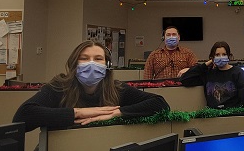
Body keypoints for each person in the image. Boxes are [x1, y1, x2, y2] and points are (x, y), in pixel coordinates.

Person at [13, 41, 170, 132]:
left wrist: (117, 112)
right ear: (75, 63)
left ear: (107, 65)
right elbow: (23, 116)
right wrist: (78, 113)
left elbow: (160, 104)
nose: (92, 63)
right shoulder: (59, 87)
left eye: (98, 59)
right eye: (84, 58)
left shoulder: (117, 88)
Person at [179, 41, 244, 109]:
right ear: (213, 57)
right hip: (213, 115)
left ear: (229, 56)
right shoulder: (208, 73)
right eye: (217, 55)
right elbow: (185, 80)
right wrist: (205, 65)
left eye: (224, 54)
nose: (220, 57)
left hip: (232, 114)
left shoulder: (238, 72)